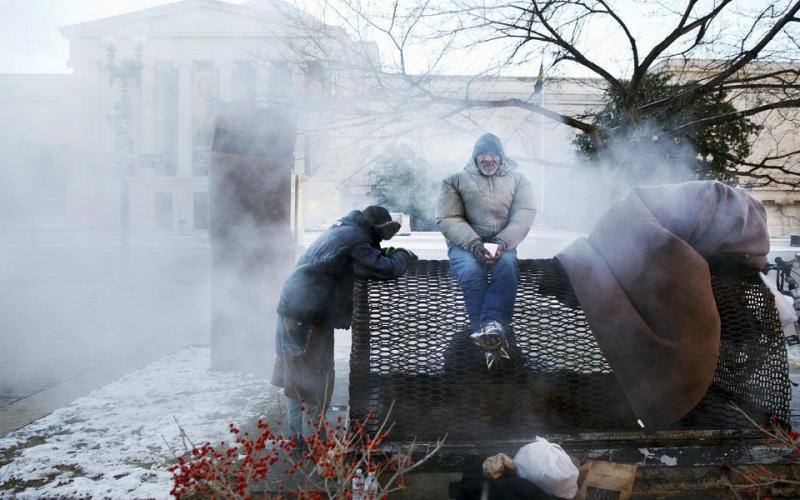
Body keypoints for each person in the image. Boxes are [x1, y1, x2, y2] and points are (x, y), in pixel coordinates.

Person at [271, 206, 416, 438]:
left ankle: (299, 437)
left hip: (292, 308)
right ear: (375, 230)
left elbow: (358, 261)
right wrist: (403, 255)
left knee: (296, 376)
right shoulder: (356, 239)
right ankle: (313, 442)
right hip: (309, 314)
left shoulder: (342, 230)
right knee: (315, 379)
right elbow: (385, 268)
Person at [435, 133, 536, 368]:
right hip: (465, 243)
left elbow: (524, 214)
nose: (488, 159)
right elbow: (448, 217)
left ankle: (492, 327)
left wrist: (502, 243)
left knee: (507, 268)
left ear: (501, 157)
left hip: (503, 242)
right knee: (471, 272)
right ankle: (489, 338)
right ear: (475, 156)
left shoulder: (519, 180)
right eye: (483, 154)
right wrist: (474, 244)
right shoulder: (455, 180)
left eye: (493, 155)